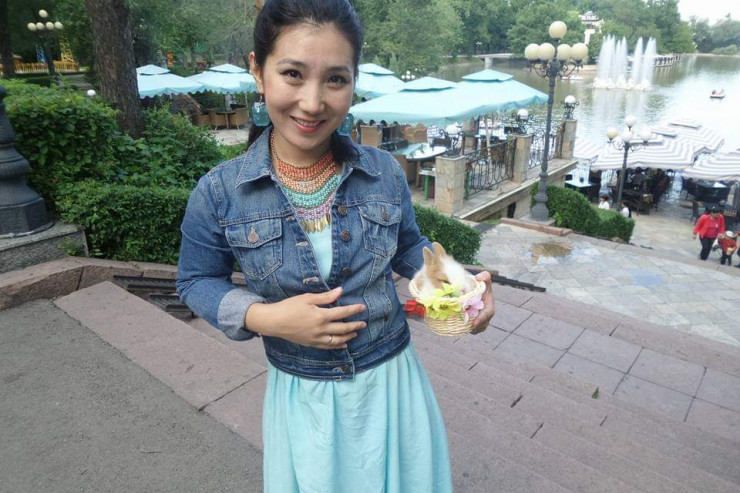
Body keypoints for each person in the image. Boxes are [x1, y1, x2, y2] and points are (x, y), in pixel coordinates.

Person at [175, 1, 496, 491]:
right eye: (292, 74)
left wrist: (457, 285)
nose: (312, 102)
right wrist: (264, 318)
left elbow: (408, 247)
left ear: (353, 81)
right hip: (303, 399)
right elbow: (196, 280)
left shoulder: (383, 172)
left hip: (392, 390)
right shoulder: (219, 193)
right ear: (258, 71)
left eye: (335, 79)